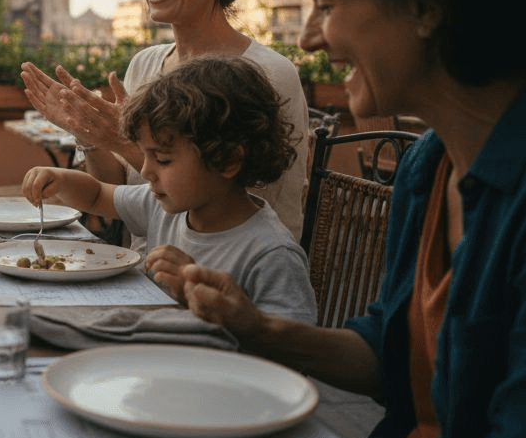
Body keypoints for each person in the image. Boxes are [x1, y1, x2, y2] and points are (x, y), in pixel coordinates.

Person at [180, 0, 526, 438]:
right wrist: (256, 327)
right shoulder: (428, 168)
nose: (312, 37)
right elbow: (387, 358)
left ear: (423, 5)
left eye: (330, 5)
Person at [21, 0, 309, 239]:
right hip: (144, 269)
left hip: (228, 281)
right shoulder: (145, 65)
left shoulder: (267, 74)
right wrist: (90, 134)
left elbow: (238, 211)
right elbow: (118, 191)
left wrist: (123, 142)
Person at [22, 55, 314, 323]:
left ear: (228, 159)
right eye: (145, 154)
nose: (146, 170)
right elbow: (98, 195)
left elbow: (292, 351)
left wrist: (207, 301)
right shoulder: (166, 207)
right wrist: (58, 179)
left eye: (162, 159)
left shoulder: (272, 255)